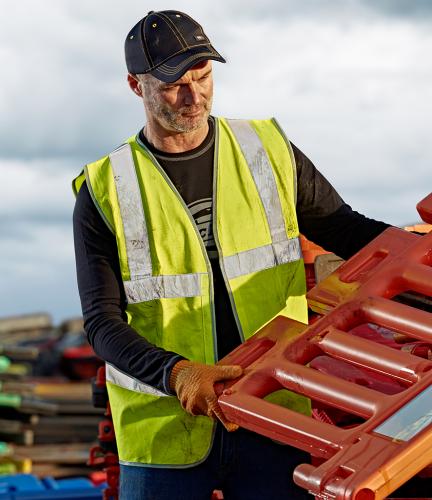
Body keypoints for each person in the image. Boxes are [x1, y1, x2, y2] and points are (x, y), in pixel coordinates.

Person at [73, 10, 390, 499]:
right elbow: (102, 322)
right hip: (165, 434)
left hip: (273, 410)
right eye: (175, 83)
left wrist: (418, 250)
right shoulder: (105, 188)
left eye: (203, 77)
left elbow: (343, 228)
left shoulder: (267, 149)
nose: (193, 95)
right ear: (137, 87)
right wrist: (175, 373)